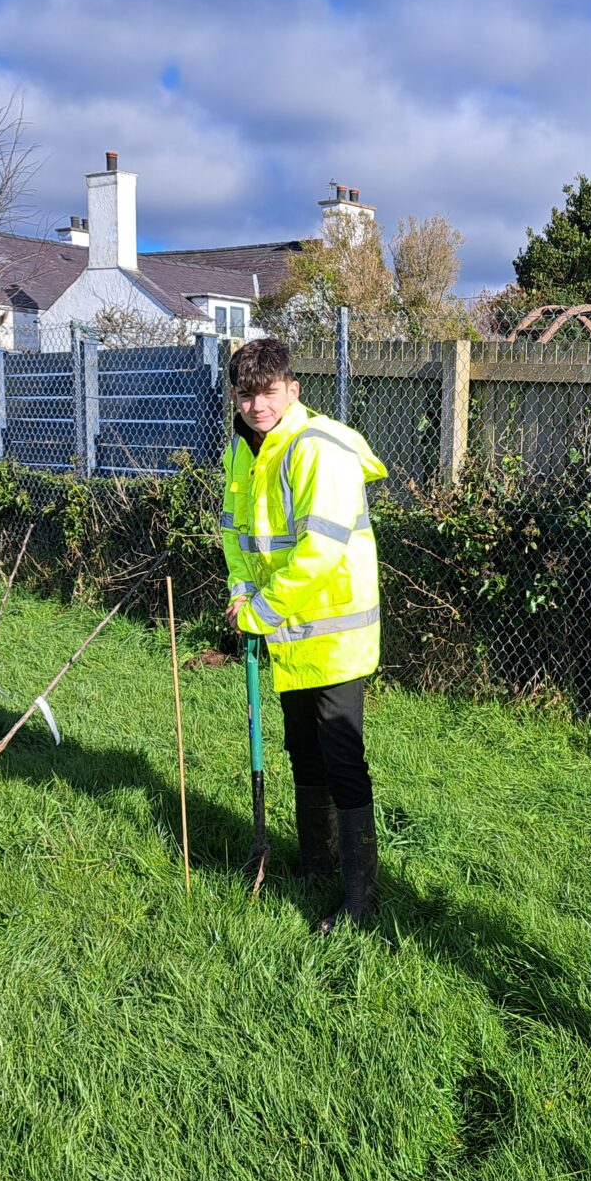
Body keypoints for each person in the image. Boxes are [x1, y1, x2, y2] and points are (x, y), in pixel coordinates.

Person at [220, 337, 387, 931]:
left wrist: (261, 611)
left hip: (333, 631)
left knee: (341, 755)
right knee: (302, 748)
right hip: (285, 629)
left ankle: (361, 899)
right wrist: (242, 590)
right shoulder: (247, 450)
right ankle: (316, 864)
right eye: (245, 393)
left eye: (267, 392)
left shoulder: (319, 450)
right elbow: (235, 533)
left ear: (292, 389)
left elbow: (320, 552)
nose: (256, 404)